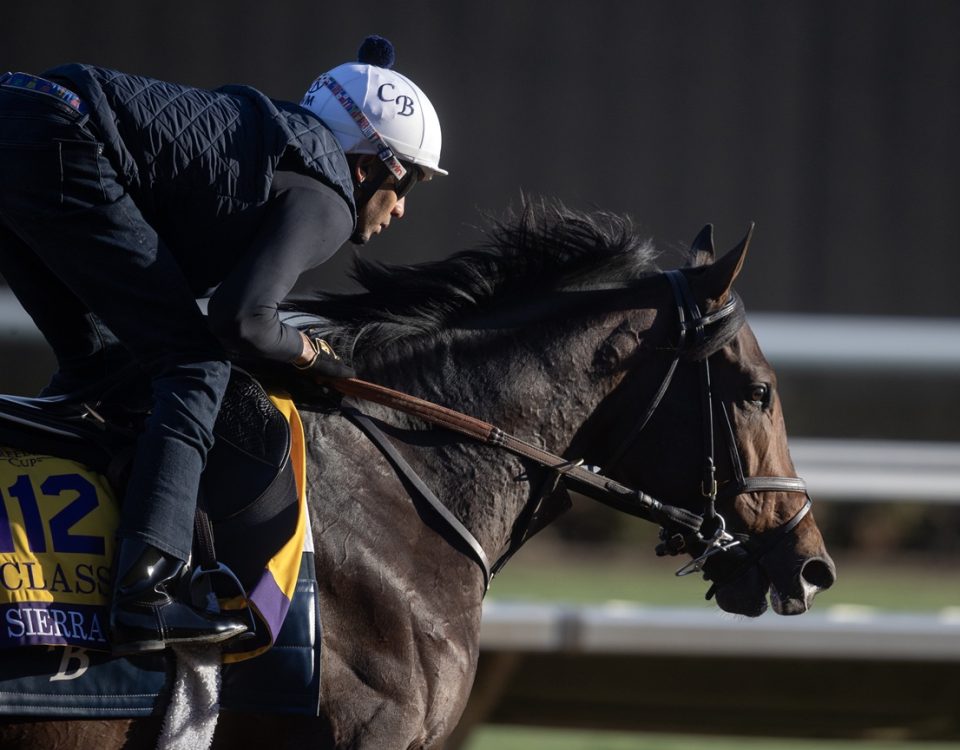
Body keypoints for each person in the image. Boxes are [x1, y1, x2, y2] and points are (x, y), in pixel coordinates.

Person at [0, 35, 447, 654]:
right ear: (369, 164)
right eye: (410, 185)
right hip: (58, 131)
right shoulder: (328, 196)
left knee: (98, 365)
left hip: (22, 113)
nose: (400, 210)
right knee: (193, 367)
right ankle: (142, 594)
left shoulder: (283, 148)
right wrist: (313, 355)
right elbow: (242, 322)